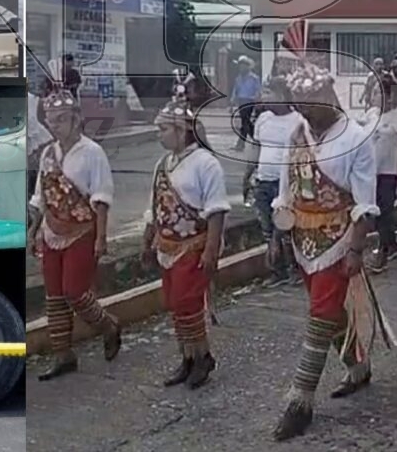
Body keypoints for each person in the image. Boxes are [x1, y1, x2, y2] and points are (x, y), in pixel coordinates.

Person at [269, 61, 382, 440]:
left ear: (328, 97)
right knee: (330, 316)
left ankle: (300, 401)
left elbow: (365, 202)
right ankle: (358, 367)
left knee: (320, 316)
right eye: (298, 104)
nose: (303, 111)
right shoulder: (298, 133)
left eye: (309, 103)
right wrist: (278, 233)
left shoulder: (356, 138)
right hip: (301, 239)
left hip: (336, 240)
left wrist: (355, 249)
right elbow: (286, 188)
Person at [28, 85, 122, 380]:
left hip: (82, 230)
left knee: (75, 292)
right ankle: (63, 353)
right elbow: (40, 196)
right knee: (54, 295)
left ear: (75, 119)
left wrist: (102, 237)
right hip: (51, 230)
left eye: (61, 119)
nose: (55, 126)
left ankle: (108, 325)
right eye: (51, 120)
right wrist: (33, 230)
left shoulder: (92, 152)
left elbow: (102, 197)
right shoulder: (47, 154)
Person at [143, 91, 229, 390]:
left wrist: (211, 249)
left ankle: (202, 355)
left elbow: (217, 210)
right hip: (167, 246)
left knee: (188, 303)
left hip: (193, 245)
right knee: (173, 304)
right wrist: (148, 240)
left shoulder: (206, 163)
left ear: (182, 131)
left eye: (164, 129)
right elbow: (155, 206)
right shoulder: (163, 163)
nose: (160, 135)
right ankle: (187, 358)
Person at [251, 79, 306, 286]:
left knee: (287, 228)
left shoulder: (298, 121)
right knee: (267, 229)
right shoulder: (263, 119)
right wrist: (250, 174)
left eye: (268, 93)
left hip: (287, 183)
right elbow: (256, 147)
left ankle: (297, 269)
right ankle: (278, 271)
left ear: (282, 96)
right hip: (263, 180)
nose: (264, 97)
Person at [369, 73, 397, 272]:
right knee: (376, 211)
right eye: (374, 92)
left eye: (378, 92)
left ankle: (383, 249)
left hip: (390, 172)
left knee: (385, 210)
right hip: (372, 172)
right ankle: (392, 244)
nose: (375, 96)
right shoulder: (371, 115)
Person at [230, 56, 262, 151]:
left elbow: (258, 90)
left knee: (245, 122)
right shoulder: (238, 78)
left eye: (244, 66)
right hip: (241, 101)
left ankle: (243, 143)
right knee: (246, 123)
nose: (241, 68)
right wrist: (232, 100)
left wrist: (257, 101)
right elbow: (235, 90)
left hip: (249, 102)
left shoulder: (254, 78)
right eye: (240, 66)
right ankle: (253, 140)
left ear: (248, 67)